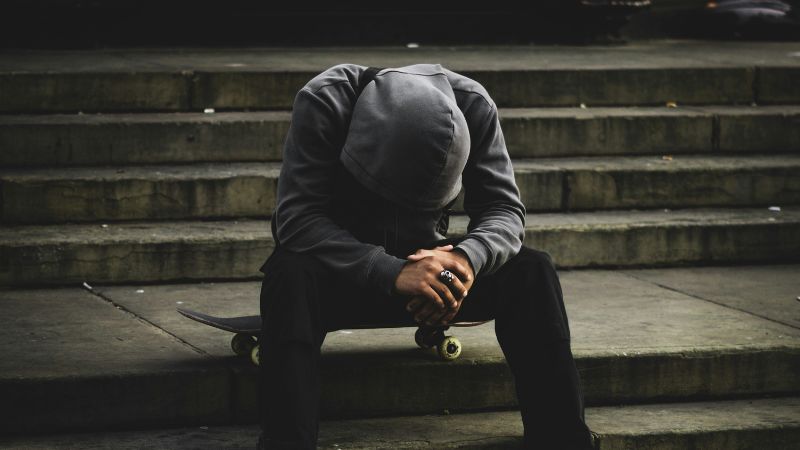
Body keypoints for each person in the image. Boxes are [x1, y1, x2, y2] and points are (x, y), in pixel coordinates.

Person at [258, 63, 593, 449]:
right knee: (290, 271)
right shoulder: (324, 100)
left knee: (533, 270)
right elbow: (297, 218)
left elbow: (504, 210)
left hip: (434, 276)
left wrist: (465, 261)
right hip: (343, 275)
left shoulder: (474, 105)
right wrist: (390, 270)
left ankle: (563, 440)